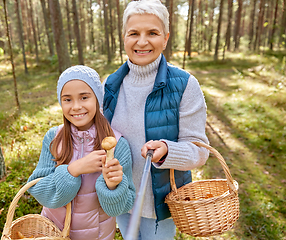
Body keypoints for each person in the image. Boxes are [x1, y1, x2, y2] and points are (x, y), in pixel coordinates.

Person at [102, 0, 209, 239]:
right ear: (124, 37)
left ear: (166, 38)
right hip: (121, 196)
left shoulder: (184, 85)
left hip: (160, 204)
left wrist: (168, 151)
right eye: (134, 33)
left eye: (152, 33)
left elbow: (200, 152)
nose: (142, 41)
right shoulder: (109, 85)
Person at [27, 65, 136, 240]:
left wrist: (112, 186)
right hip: (52, 233)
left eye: (84, 97)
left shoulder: (117, 145)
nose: (76, 106)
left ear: (97, 99)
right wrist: (73, 170)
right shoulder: (54, 139)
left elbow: (120, 208)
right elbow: (38, 190)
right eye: (67, 99)